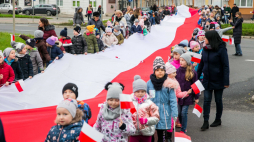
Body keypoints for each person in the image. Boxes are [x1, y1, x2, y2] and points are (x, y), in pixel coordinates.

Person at [197, 30, 229, 131]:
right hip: (207, 80)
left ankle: (218, 119)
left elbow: (225, 66)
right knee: (206, 100)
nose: (204, 39)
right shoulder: (205, 49)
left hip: (219, 80)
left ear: (211, 39)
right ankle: (205, 121)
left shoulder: (221, 49)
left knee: (218, 100)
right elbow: (201, 64)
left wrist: (226, 81)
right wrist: (196, 78)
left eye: (206, 38)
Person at [147, 56, 178, 141]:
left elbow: (173, 100)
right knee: (151, 133)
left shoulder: (168, 84)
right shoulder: (149, 83)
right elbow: (146, 98)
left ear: (165, 71)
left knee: (161, 135)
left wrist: (174, 113)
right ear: (154, 71)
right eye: (157, 70)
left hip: (164, 112)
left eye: (162, 70)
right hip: (152, 112)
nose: (160, 72)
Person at [130, 75, 160, 142]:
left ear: (145, 91)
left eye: (142, 91)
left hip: (147, 132)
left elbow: (156, 118)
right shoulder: (130, 102)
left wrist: (147, 120)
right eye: (138, 91)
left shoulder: (150, 103)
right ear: (134, 92)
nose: (140, 93)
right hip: (134, 132)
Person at [176, 53, 199, 133]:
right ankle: (182, 124)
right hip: (179, 95)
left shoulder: (193, 72)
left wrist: (196, 97)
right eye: (180, 60)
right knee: (179, 113)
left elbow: (196, 84)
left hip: (188, 95)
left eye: (183, 60)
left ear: (188, 61)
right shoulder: (177, 71)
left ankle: (183, 129)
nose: (181, 62)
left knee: (183, 112)